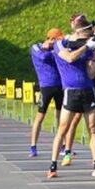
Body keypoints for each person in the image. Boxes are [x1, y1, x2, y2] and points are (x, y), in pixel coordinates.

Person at [46, 14, 95, 179]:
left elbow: (91, 73)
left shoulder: (87, 47)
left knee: (93, 128)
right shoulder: (60, 44)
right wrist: (87, 47)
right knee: (63, 128)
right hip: (71, 91)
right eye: (85, 35)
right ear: (78, 33)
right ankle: (53, 165)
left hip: (88, 90)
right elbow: (70, 58)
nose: (87, 38)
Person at [29, 28, 64, 157]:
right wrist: (52, 49)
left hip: (60, 85)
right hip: (46, 86)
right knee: (40, 116)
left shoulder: (57, 48)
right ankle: (33, 146)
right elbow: (42, 56)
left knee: (61, 118)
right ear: (51, 39)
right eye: (57, 40)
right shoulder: (36, 47)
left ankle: (63, 146)